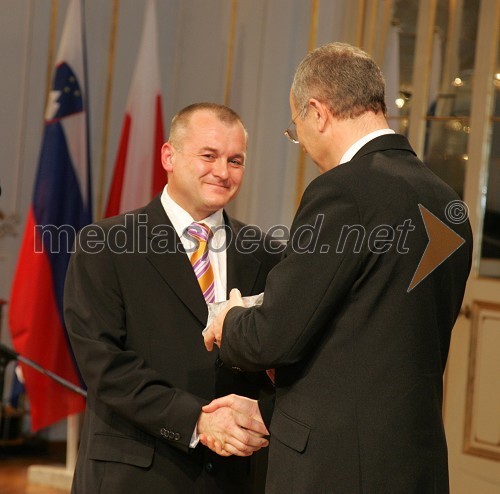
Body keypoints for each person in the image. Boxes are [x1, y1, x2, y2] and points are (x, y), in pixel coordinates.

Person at [203, 43, 473, 493]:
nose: (302, 144)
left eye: (296, 129)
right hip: (416, 459)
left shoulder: (343, 192)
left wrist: (229, 321)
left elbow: (273, 337)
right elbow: (374, 331)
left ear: (316, 111)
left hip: (337, 467)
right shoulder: (447, 200)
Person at [64, 103, 280, 493]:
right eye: (208, 155)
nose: (222, 171)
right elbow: (103, 364)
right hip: (135, 474)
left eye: (235, 160)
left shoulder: (265, 253)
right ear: (169, 155)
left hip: (235, 475)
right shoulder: (106, 245)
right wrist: (196, 420)